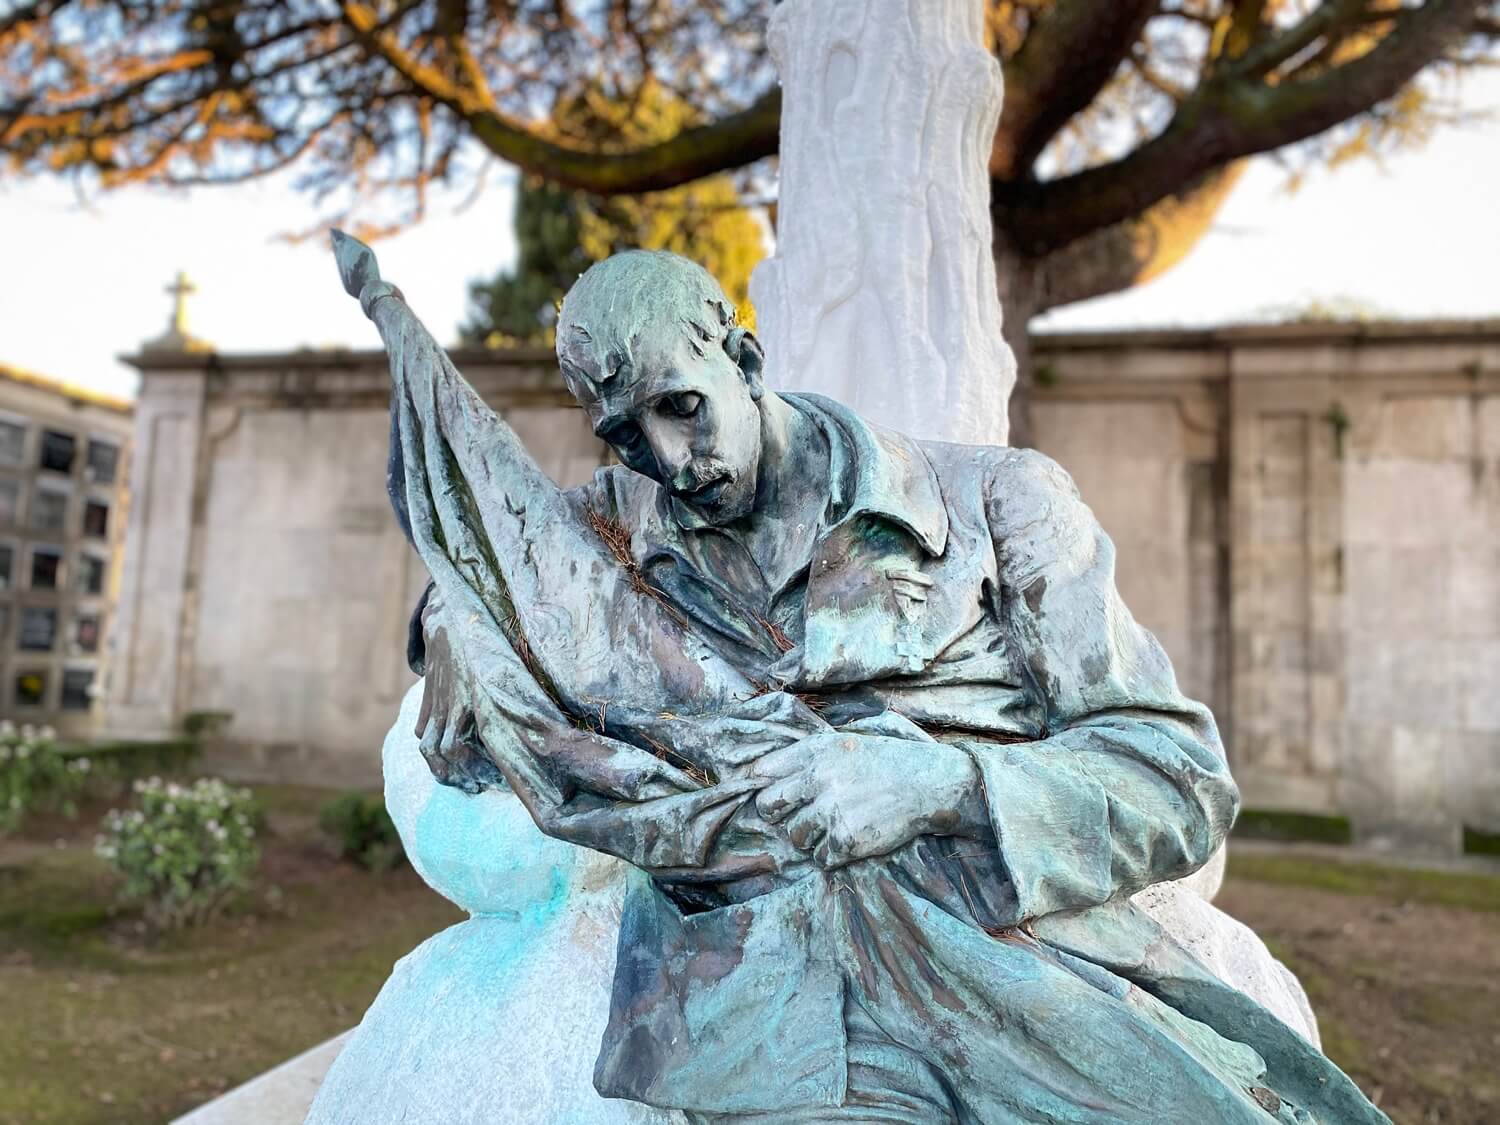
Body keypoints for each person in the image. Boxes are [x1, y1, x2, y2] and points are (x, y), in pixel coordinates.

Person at [333, 235, 1385, 1124]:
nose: (667, 459)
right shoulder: (615, 524)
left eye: (682, 407)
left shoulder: (996, 505)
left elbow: (1179, 778)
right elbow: (493, 557)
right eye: (624, 434)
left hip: (1001, 956)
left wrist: (943, 789)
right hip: (757, 997)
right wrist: (457, 627)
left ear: (745, 357)